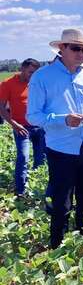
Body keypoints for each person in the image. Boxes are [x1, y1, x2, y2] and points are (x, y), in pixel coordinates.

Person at [27, 29, 83, 249]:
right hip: (61, 149)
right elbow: (33, 116)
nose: (81, 53)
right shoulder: (42, 77)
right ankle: (57, 247)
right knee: (61, 202)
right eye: (76, 48)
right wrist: (64, 120)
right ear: (61, 49)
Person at [0, 58, 45, 197]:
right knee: (23, 157)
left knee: (41, 158)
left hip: (40, 126)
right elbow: (1, 106)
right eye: (31, 72)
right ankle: (20, 191)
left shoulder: (37, 83)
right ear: (22, 68)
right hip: (21, 127)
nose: (33, 76)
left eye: (35, 73)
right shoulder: (8, 84)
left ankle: (37, 188)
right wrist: (14, 124)